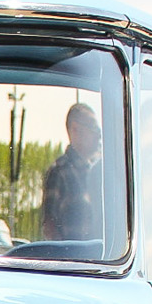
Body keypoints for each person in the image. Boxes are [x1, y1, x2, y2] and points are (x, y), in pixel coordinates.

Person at [40, 103, 101, 240]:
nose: (99, 135)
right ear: (75, 129)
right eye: (93, 128)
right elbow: (50, 228)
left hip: (106, 260)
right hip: (76, 259)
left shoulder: (103, 172)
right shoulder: (59, 172)